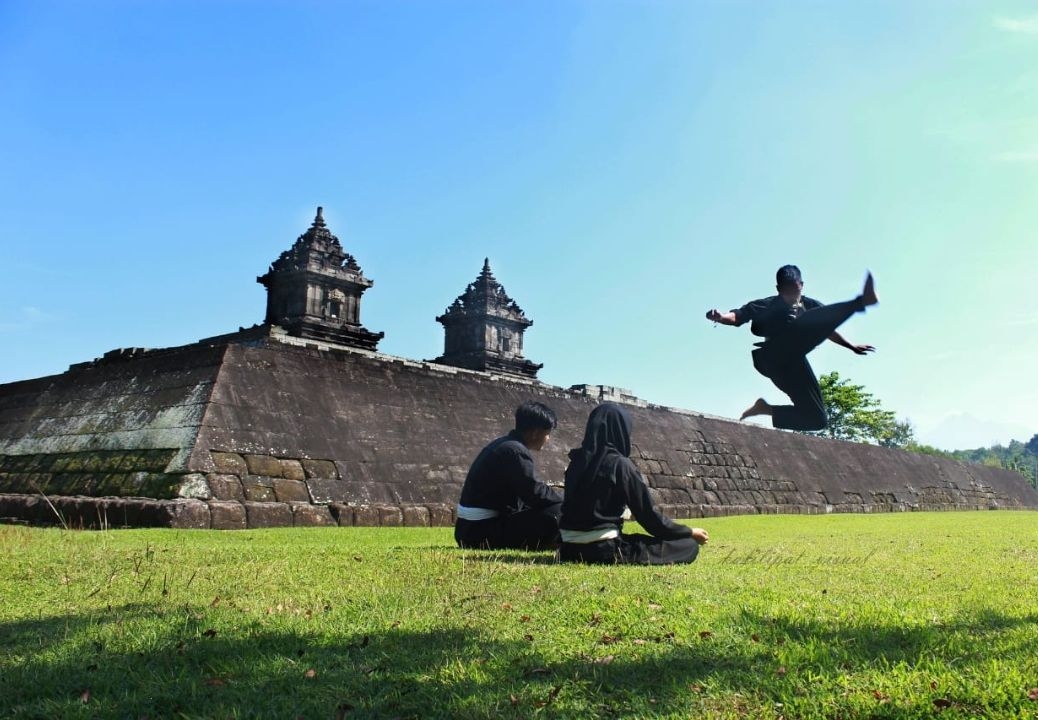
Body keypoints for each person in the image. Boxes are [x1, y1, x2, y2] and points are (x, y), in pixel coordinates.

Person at [705, 265, 878, 431]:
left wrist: (851, 346)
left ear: (801, 285)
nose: (791, 295)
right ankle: (861, 301)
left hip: (794, 363)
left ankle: (764, 408)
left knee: (817, 419)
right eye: (786, 291)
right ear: (778, 289)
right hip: (771, 358)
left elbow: (827, 330)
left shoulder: (810, 304)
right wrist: (720, 317)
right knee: (803, 325)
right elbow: (737, 316)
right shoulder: (767, 304)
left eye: (795, 290)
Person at [558, 403, 709, 565]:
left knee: (635, 539)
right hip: (603, 550)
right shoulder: (620, 465)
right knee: (688, 546)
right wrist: (689, 532)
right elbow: (649, 517)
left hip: (567, 549)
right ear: (621, 431)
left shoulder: (575, 463)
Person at [454, 401, 563, 550]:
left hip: (467, 531)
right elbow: (535, 493)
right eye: (547, 434)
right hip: (479, 534)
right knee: (559, 510)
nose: (548, 439)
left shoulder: (504, 445)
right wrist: (568, 498)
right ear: (535, 432)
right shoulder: (515, 451)